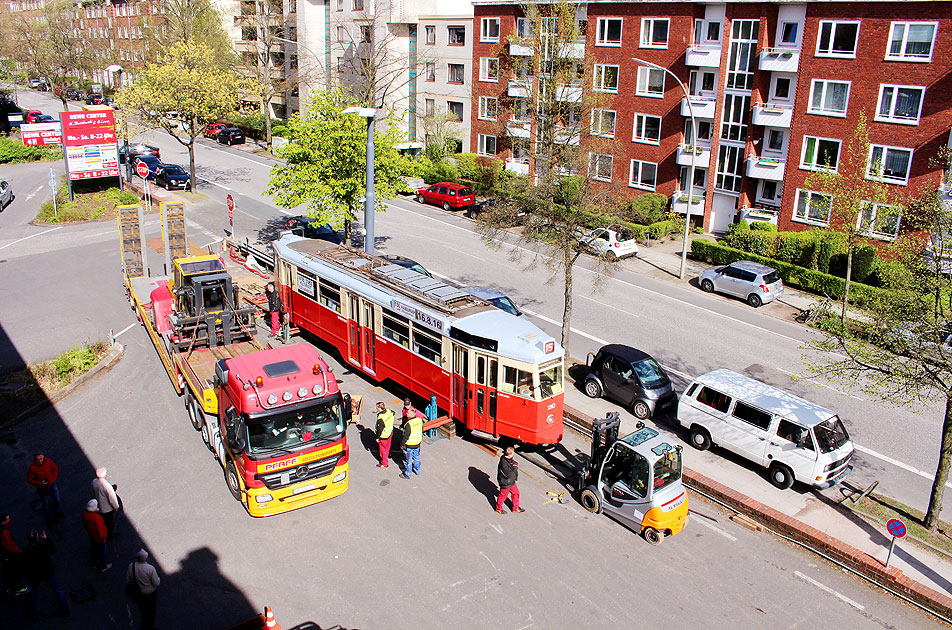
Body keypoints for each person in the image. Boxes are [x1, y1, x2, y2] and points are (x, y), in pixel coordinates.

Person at [23, 530, 69, 616]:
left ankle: (33, 607)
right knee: (57, 590)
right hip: (47, 572)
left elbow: (24, 565)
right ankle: (65, 608)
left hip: (35, 576)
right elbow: (53, 549)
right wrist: (46, 539)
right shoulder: (43, 547)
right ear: (37, 538)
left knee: (34, 591)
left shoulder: (25, 551)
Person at [126, 549, 160, 630]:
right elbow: (156, 582)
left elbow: (128, 581)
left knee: (143, 609)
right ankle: (150, 626)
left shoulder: (131, 566)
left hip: (138, 593)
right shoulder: (150, 568)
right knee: (151, 610)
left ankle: (145, 622)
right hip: (150, 593)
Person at [27, 453, 63, 521]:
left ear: (43, 457)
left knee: (57, 499)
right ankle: (50, 517)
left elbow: (55, 468)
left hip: (51, 484)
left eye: (40, 459)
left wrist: (53, 478)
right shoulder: (32, 468)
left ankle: (57, 511)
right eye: (37, 459)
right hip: (42, 488)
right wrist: (39, 483)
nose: (39, 461)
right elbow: (30, 479)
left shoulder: (48, 462)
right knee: (45, 504)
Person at [1, 513, 28, 596]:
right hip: (9, 556)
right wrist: (18, 551)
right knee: (14, 571)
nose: (9, 520)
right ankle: (17, 588)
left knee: (7, 572)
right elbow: (9, 546)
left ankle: (8, 588)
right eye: (8, 519)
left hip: (4, 556)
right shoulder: (4, 533)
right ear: (3, 522)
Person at [81, 500, 111, 573]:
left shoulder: (85, 514)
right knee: (102, 552)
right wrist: (103, 538)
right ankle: (103, 566)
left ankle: (93, 563)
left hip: (92, 536)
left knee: (93, 549)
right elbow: (100, 530)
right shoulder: (97, 518)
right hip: (99, 538)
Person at [91, 468, 121, 539]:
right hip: (107, 509)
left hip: (99, 506)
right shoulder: (106, 485)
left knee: (103, 521)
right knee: (109, 522)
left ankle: (104, 533)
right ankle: (109, 535)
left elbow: (93, 493)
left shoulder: (94, 482)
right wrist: (116, 506)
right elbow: (112, 498)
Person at [495, 447, 525, 514]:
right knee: (502, 496)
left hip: (511, 481)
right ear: (510, 455)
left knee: (516, 493)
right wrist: (514, 467)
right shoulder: (504, 464)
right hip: (506, 483)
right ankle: (498, 508)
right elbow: (508, 474)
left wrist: (514, 463)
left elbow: (511, 462)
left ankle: (516, 507)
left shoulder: (507, 458)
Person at [400, 400, 424, 479]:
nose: (406, 413)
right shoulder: (419, 420)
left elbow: (406, 436)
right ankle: (417, 470)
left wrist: (402, 444)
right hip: (417, 443)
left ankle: (408, 474)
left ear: (410, 415)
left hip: (410, 445)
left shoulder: (408, 424)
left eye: (408, 413)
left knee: (408, 460)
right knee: (416, 457)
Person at [374, 402, 395, 468]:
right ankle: (386, 456)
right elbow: (393, 413)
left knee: (383, 450)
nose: (376, 408)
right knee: (387, 447)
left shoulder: (381, 417)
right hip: (390, 432)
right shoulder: (389, 411)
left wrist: (377, 437)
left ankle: (384, 463)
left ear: (380, 408)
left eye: (377, 407)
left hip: (384, 436)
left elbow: (380, 429)